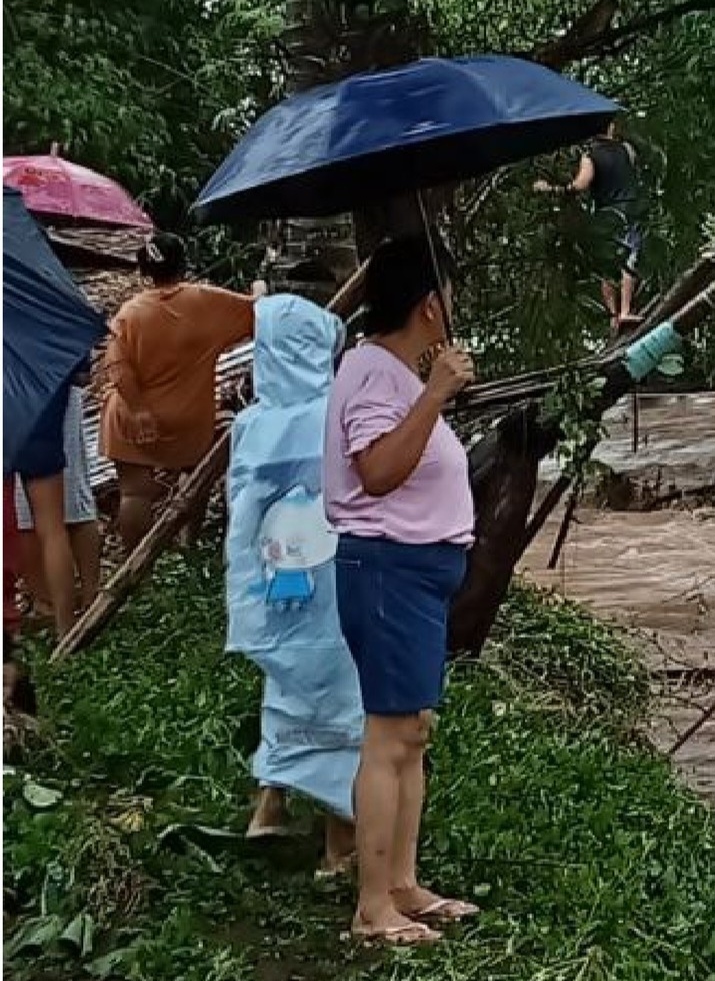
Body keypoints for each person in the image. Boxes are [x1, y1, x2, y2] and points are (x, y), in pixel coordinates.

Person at [324, 234, 477, 945]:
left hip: (416, 572)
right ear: (429, 303)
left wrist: (433, 390)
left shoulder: (396, 373)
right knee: (389, 737)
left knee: (412, 732)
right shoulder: (370, 370)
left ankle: (402, 882)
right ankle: (370, 906)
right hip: (386, 569)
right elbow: (378, 470)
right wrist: (439, 392)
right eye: (448, 293)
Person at [229, 295, 361, 874]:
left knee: (284, 690)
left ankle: (269, 806)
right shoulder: (338, 411)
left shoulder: (250, 423)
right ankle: (339, 844)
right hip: (333, 592)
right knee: (343, 703)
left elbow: (242, 508)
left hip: (273, 588)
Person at [101, 232, 260, 551]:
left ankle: (137, 568)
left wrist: (137, 408)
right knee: (194, 478)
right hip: (188, 420)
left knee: (134, 493)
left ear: (143, 272)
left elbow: (116, 367)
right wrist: (260, 288)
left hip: (133, 417)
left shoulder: (129, 314)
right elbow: (260, 313)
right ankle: (189, 545)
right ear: (183, 265)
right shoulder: (208, 302)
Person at [534, 119, 645, 333]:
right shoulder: (627, 150)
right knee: (630, 258)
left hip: (605, 213)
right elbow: (633, 172)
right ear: (611, 127)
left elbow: (579, 185)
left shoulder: (590, 156)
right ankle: (625, 310)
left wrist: (550, 189)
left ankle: (614, 315)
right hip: (629, 210)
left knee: (607, 264)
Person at [12, 378, 102, 637]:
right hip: (50, 389)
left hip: (30, 398)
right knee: (57, 513)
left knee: (41, 517)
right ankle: (67, 604)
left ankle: (60, 605)